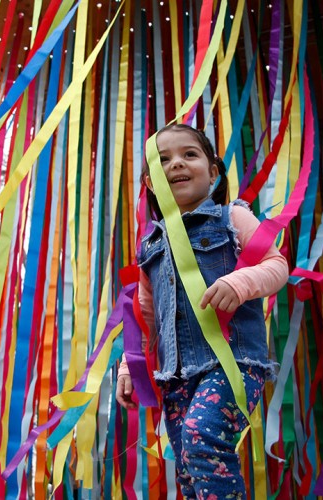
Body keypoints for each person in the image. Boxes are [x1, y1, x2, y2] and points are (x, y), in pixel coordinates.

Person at [116, 124, 289, 499]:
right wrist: (130, 366)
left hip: (233, 363)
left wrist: (239, 283)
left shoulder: (233, 218)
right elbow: (145, 315)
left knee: (202, 438)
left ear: (213, 172)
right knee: (190, 473)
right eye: (163, 160)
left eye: (189, 154)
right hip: (176, 376)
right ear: (150, 181)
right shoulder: (150, 245)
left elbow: (277, 266)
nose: (176, 163)